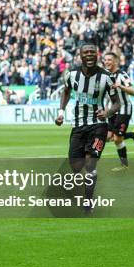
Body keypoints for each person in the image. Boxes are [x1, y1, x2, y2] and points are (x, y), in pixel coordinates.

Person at [55, 40, 120, 214]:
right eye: (86, 52)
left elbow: (117, 103)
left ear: (97, 55)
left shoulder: (107, 77)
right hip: (78, 125)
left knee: (91, 164)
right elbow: (67, 91)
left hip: (98, 126)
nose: (89, 54)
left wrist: (106, 113)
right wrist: (61, 112)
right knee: (75, 165)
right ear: (80, 55)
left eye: (93, 52)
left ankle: (88, 203)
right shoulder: (71, 74)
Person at [103, 52, 134, 172]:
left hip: (124, 109)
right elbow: (107, 95)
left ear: (115, 61)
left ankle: (124, 166)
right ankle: (133, 135)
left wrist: (121, 86)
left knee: (117, 138)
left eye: (109, 60)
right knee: (107, 137)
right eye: (105, 60)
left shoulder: (122, 75)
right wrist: (106, 107)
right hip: (112, 110)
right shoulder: (106, 77)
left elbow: (133, 91)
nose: (107, 62)